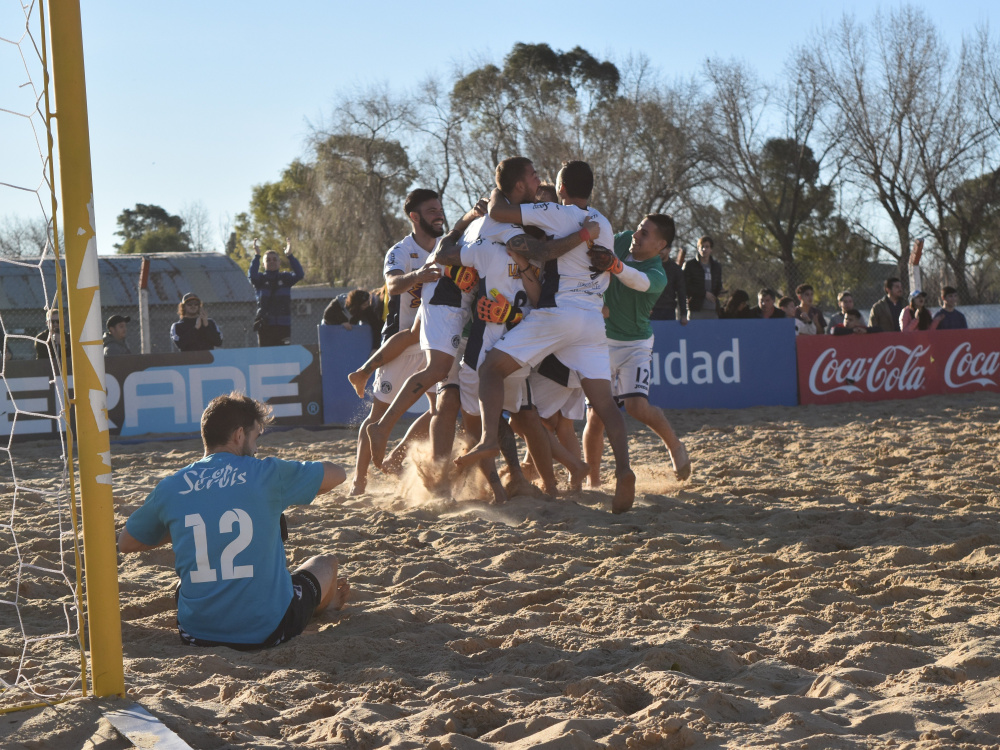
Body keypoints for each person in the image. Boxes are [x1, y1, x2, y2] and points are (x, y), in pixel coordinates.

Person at [463, 159, 637, 514]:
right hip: (592, 320)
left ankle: (489, 439)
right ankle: (623, 470)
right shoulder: (603, 222)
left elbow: (500, 212)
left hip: (558, 313)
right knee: (605, 404)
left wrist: (496, 188)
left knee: (491, 369)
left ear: (561, 189)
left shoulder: (558, 213)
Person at [118, 393, 349, 650]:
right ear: (239, 435)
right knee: (325, 563)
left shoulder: (172, 486)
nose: (256, 448)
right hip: (268, 629)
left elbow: (126, 543)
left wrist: (183, 523)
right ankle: (327, 604)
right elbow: (338, 474)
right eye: (255, 437)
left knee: (189, 581)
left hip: (196, 633)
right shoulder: (266, 473)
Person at [582, 214, 691, 487]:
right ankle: (593, 483)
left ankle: (674, 446)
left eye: (645, 233)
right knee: (595, 417)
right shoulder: (620, 241)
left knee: (637, 407)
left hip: (635, 345)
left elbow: (636, 281)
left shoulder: (658, 275)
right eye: (639, 229)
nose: (636, 235)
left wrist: (615, 265)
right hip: (600, 341)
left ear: (661, 245)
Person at [351, 189, 444, 496]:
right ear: (414, 217)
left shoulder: (447, 247)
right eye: (431, 211)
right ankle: (359, 481)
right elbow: (392, 285)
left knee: (440, 409)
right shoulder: (401, 250)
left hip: (435, 342)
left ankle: (396, 456)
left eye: (440, 209)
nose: (439, 215)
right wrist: (418, 275)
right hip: (400, 344)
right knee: (377, 416)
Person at [249, 237, 305, 347]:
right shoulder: (260, 279)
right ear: (263, 264)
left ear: (279, 263)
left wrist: (290, 255)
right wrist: (257, 255)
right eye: (268, 260)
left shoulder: (285, 278)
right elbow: (252, 276)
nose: (272, 262)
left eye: (275, 259)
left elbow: (300, 274)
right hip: (265, 325)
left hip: (284, 325)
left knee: (284, 353)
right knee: (266, 354)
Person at [682, 236, 722, 319]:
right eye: (702, 247)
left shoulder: (716, 266)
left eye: (707, 247)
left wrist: (719, 292)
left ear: (711, 249)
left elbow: (718, 284)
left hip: (712, 309)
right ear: (698, 248)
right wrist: (704, 293)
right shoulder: (690, 265)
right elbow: (684, 286)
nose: (704, 249)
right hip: (696, 309)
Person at [649, 244, 688, 324]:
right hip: (651, 310)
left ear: (669, 250)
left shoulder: (675, 269)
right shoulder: (649, 266)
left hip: (669, 311)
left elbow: (681, 292)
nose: (660, 251)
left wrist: (683, 314)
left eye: (662, 249)